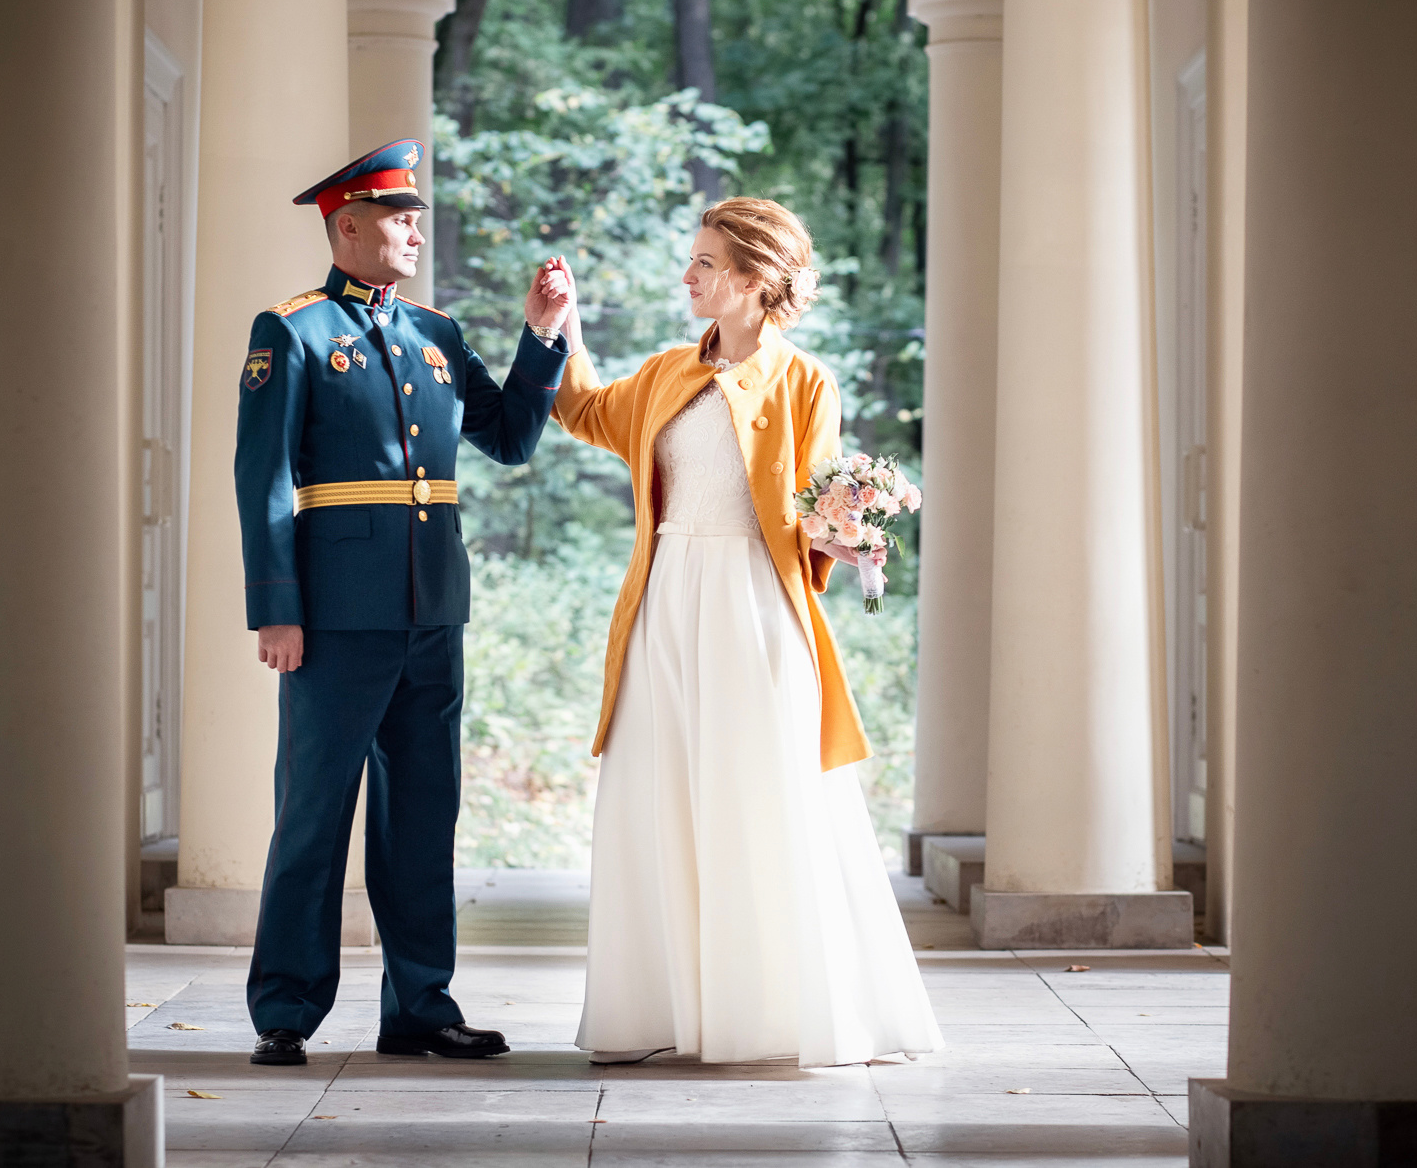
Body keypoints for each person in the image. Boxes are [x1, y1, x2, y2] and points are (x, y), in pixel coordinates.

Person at [548, 197, 942, 1066]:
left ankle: (764, 1013)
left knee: (757, 797)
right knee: (657, 792)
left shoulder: (805, 382)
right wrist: (561, 327)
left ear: (756, 278)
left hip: (755, 609)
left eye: (704, 262)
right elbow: (581, 410)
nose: (686, 275)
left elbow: (813, 509)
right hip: (663, 605)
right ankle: (659, 1013)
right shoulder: (664, 373)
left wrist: (848, 534)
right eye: (692, 259)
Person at [234, 138, 574, 1066]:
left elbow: (508, 438)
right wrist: (276, 607)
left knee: (424, 815)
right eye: (399, 217)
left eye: (418, 217)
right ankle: (285, 1009)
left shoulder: (438, 333)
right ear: (346, 226)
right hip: (335, 615)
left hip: (433, 610)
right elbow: (263, 478)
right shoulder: (293, 331)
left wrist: (541, 336)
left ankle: (420, 1004)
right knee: (314, 814)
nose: (417, 231)